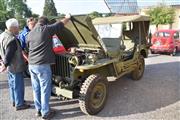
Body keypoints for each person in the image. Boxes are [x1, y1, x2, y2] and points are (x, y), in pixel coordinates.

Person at [27, 15, 70, 120]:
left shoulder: (30, 33)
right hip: (42, 65)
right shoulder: (46, 29)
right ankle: (46, 112)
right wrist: (68, 17)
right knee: (44, 88)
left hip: (31, 65)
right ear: (46, 24)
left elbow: (29, 48)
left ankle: (38, 110)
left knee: (36, 88)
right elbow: (60, 24)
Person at [0, 18, 30, 110]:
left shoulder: (2, 35)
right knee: (18, 86)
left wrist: (3, 62)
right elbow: (9, 54)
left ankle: (15, 100)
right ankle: (20, 104)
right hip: (15, 66)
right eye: (17, 28)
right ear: (12, 28)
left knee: (12, 85)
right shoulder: (11, 39)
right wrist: (4, 65)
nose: (18, 29)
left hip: (10, 67)